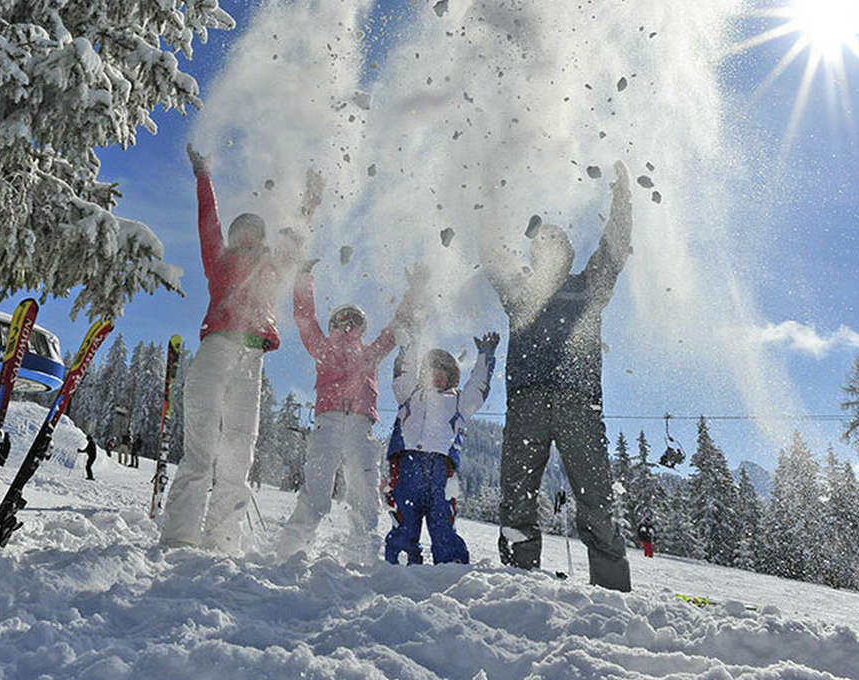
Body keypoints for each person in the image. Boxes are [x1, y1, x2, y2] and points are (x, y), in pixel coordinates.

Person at [484, 161, 634, 591]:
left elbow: (615, 249)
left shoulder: (589, 286)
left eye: (558, 243)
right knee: (517, 497)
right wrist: (486, 195)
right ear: (534, 256)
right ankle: (518, 583)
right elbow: (491, 254)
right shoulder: (520, 293)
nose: (550, 248)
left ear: (568, 253)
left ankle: (611, 593)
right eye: (543, 244)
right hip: (527, 402)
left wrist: (621, 200)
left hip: (578, 403)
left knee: (597, 499)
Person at [158, 145, 315, 553]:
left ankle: (223, 541)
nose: (245, 235)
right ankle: (180, 538)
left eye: (253, 230)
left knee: (239, 452)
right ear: (232, 236)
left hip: (252, 358)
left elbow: (295, 238)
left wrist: (309, 203)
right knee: (201, 447)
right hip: (217, 349)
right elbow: (207, 220)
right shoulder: (219, 260)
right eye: (239, 229)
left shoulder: (273, 267)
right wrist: (203, 175)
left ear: (261, 238)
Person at [272, 262, 412, 561]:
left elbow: (395, 328)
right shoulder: (323, 348)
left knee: (364, 495)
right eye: (342, 320)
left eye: (354, 321)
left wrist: (414, 291)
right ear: (334, 324)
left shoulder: (370, 353)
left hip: (361, 428)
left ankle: (361, 559)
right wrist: (303, 279)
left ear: (362, 328)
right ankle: (289, 555)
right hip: (329, 424)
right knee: (316, 492)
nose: (348, 325)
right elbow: (305, 318)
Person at [383, 313, 499, 565]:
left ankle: (450, 565)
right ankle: (401, 562)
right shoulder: (409, 393)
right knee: (404, 519)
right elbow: (403, 370)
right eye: (431, 373)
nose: (436, 378)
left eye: (442, 375)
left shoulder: (458, 401)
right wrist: (412, 339)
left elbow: (478, 388)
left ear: (451, 379)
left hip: (441, 472)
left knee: (443, 522)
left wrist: (485, 357)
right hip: (407, 466)